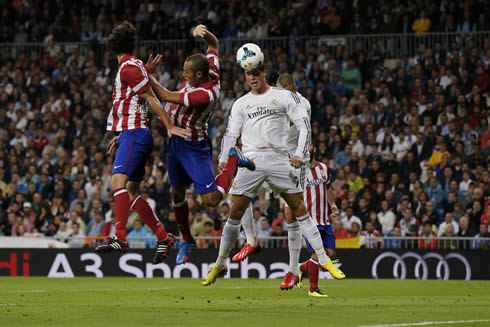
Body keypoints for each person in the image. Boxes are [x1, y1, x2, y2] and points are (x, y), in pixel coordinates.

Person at [202, 52, 345, 287]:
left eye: (256, 73)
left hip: (283, 160)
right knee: (235, 208)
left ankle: (318, 259)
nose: (253, 77)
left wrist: (300, 154)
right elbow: (231, 132)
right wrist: (225, 156)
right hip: (253, 159)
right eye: (249, 74)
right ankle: (222, 261)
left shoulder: (289, 98)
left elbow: (303, 125)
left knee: (297, 209)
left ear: (265, 73)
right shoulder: (241, 103)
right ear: (245, 75)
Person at [145, 24, 255, 265]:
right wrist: (205, 33)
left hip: (194, 146)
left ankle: (233, 158)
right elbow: (214, 46)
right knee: (177, 193)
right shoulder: (210, 69)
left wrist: (147, 75)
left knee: (212, 201)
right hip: (176, 141)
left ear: (198, 75)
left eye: (186, 72)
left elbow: (164, 95)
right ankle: (187, 239)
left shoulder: (205, 94)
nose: (183, 75)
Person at [95, 21, 189, 265]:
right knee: (132, 191)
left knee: (117, 182)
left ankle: (120, 237)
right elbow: (135, 97)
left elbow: (150, 97)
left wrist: (168, 125)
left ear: (111, 46)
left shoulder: (128, 68)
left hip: (135, 133)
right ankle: (163, 236)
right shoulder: (135, 66)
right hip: (131, 132)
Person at [231, 73, 319, 292]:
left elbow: (295, 126)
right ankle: (251, 240)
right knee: (240, 194)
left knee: (291, 212)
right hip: (273, 159)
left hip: (294, 163)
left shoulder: (301, 103)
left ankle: (293, 270)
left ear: (290, 89)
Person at [297, 144, 340, 297]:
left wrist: (333, 204)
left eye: (309, 147)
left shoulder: (324, 168)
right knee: (317, 253)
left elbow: (328, 188)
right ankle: (313, 289)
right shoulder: (300, 172)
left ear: (314, 149)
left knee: (331, 253)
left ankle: (302, 268)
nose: (307, 150)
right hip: (309, 220)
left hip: (324, 219)